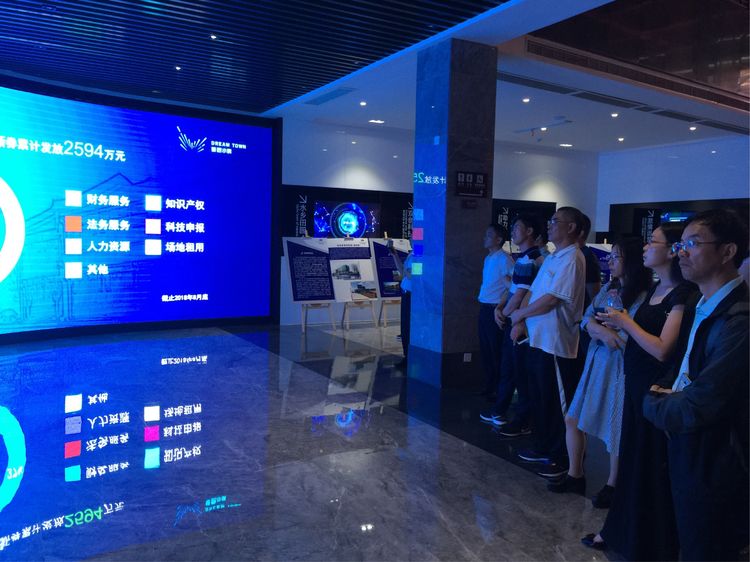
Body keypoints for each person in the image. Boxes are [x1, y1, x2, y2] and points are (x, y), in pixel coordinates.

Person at [582, 223, 696, 559]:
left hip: (654, 390)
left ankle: (646, 540)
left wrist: (624, 323)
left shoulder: (681, 294)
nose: (646, 247)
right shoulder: (659, 288)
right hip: (634, 384)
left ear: (672, 251)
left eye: (653, 242)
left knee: (649, 464)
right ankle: (620, 531)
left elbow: (662, 349)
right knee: (632, 461)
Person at [643, 209, 749, 562]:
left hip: (717, 459)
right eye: (680, 245)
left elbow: (704, 400)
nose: (681, 253)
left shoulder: (739, 320)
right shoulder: (702, 303)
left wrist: (652, 404)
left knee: (707, 546)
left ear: (728, 251)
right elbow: (678, 369)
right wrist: (660, 392)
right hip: (689, 446)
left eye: (692, 243)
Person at [547, 236, 652, 499]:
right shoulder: (609, 288)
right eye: (611, 256)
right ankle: (575, 474)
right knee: (573, 418)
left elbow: (627, 337)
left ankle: (613, 484)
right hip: (596, 362)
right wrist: (597, 328)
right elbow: (586, 317)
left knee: (614, 426)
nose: (610, 262)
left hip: (618, 367)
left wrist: (604, 331)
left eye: (616, 257)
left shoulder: (643, 297)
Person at [509, 207, 585, 467]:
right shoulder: (553, 257)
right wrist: (521, 320)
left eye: (555, 221)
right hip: (537, 339)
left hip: (555, 343)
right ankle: (542, 445)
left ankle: (559, 456)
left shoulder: (572, 258)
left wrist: (519, 315)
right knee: (540, 397)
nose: (550, 225)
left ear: (571, 227)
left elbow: (552, 299)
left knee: (555, 401)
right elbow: (534, 292)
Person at [479, 213, 544, 432]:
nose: (513, 231)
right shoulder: (524, 259)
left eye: (517, 227)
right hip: (511, 317)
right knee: (509, 368)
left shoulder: (531, 259)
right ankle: (500, 410)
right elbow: (514, 290)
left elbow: (520, 295)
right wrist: (501, 309)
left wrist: (504, 314)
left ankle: (522, 419)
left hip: (520, 322)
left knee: (518, 372)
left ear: (530, 232)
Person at [477, 225, 515, 400]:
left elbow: (512, 286)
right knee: (485, 348)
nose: (485, 238)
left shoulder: (504, 259)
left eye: (488, 235)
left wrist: (501, 306)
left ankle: (499, 389)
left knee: (495, 350)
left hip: (496, 309)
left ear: (499, 239)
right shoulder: (488, 258)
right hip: (484, 307)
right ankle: (489, 384)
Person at [389, 240, 412, 364]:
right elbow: (403, 272)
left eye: (413, 237)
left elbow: (414, 275)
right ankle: (406, 356)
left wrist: (408, 272)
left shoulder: (420, 256)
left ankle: (409, 357)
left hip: (412, 296)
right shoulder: (412, 255)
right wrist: (394, 255)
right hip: (406, 294)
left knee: (408, 327)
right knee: (404, 326)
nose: (411, 240)